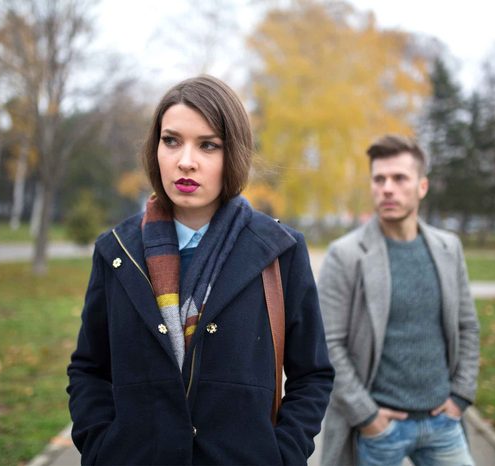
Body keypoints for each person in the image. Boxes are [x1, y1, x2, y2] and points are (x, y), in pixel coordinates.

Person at [67, 75, 334, 465]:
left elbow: (312, 374)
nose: (185, 160)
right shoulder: (117, 251)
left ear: (234, 154)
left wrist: (282, 455)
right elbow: (89, 369)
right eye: (171, 140)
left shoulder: (279, 251)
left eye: (208, 145)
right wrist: (101, 448)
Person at [319, 135, 480, 466]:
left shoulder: (449, 248)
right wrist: (368, 417)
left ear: (422, 186)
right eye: (379, 179)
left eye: (399, 178)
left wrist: (460, 397)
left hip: (443, 422)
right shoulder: (345, 255)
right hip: (379, 429)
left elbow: (467, 326)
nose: (387, 188)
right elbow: (328, 345)